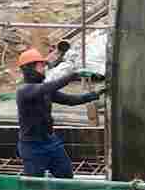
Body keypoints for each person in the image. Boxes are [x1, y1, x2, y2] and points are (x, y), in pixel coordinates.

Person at [15, 48, 102, 178]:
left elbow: (70, 100)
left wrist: (95, 95)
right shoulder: (24, 91)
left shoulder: (44, 89)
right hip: (32, 147)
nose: (44, 69)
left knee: (66, 176)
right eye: (40, 66)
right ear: (29, 69)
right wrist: (73, 75)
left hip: (50, 141)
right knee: (33, 187)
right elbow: (50, 86)